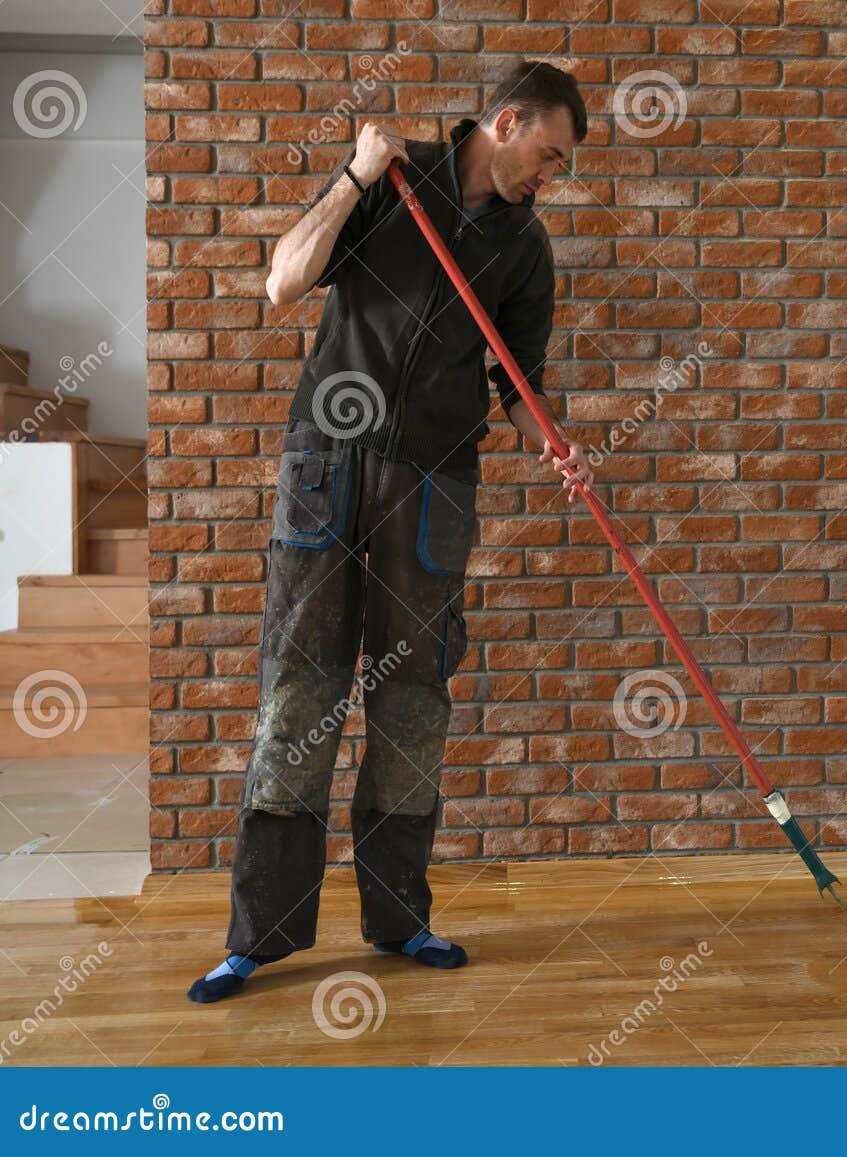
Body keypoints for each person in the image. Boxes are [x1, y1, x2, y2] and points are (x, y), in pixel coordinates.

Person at [188, 61, 593, 1003]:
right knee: (300, 689)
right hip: (325, 463)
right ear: (505, 121)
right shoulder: (394, 177)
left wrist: (559, 446)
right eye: (549, 153)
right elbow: (284, 281)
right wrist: (354, 177)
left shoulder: (525, 250)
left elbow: (519, 385)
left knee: (413, 701)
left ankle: (400, 921)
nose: (551, 175)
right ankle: (259, 937)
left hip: (436, 484)